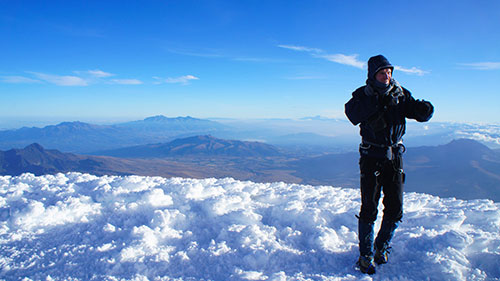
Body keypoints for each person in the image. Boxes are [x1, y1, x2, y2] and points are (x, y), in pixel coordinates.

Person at [344, 55, 433, 274]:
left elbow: (414, 111)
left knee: (395, 209)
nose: (387, 76)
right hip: (371, 157)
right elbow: (352, 114)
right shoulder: (362, 95)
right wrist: (376, 100)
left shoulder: (400, 94)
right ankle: (365, 256)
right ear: (373, 74)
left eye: (390, 72)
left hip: (394, 157)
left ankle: (380, 247)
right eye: (383, 72)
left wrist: (425, 110)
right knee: (369, 208)